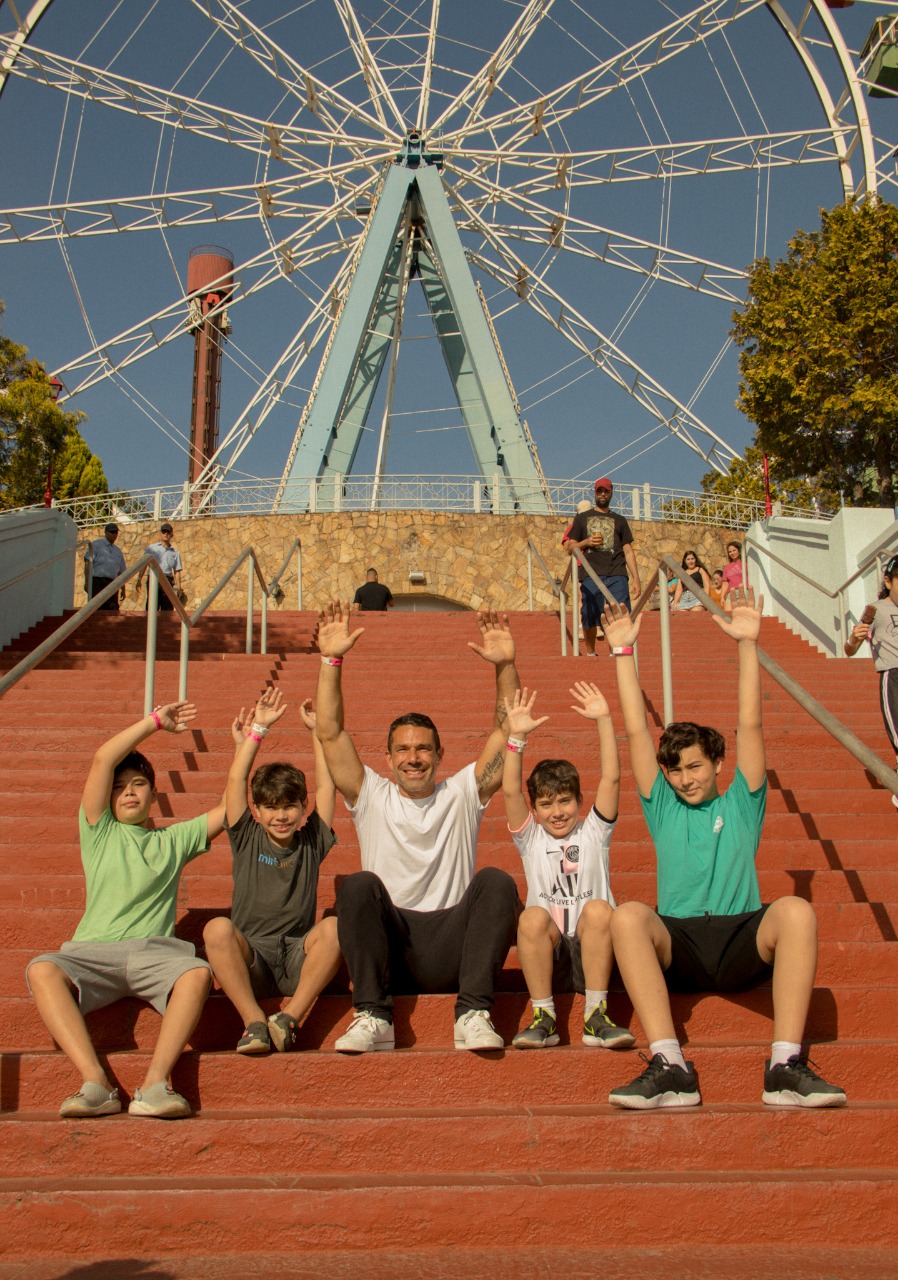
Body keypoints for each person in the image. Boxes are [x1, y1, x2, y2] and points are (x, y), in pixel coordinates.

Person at [601, 590, 846, 1110]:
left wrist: (747, 645)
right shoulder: (663, 807)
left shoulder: (742, 803)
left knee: (797, 911)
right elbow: (636, 733)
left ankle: (784, 1065)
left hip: (740, 937)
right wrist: (624, 653)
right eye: (676, 770)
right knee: (626, 917)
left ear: (716, 764)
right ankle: (670, 1064)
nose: (685, 779)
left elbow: (751, 725)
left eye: (695, 767)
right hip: (681, 942)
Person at [315, 602, 522, 1053]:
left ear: (440, 755)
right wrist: (332, 661)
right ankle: (373, 1014)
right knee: (356, 886)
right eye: (404, 750)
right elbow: (330, 734)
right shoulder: (371, 794)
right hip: (391, 949)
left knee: (496, 882)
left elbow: (507, 733)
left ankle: (472, 1012)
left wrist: (505, 665)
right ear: (387, 758)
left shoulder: (463, 792)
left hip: (453, 944)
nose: (414, 758)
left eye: (424, 749)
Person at [26, 702, 226, 1120]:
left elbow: (229, 812)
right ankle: (96, 1082)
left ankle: (154, 1084)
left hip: (156, 953)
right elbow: (103, 757)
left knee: (198, 973)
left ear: (155, 794)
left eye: (138, 784)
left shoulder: (174, 840)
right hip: (92, 954)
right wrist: (154, 723)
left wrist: (252, 738)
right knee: (41, 969)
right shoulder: (99, 831)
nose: (129, 792)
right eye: (120, 787)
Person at [202, 686, 341, 1054]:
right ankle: (254, 1023)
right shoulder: (247, 836)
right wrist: (257, 731)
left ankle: (288, 1018)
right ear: (258, 811)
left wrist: (317, 733)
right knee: (217, 929)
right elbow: (235, 782)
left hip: (298, 955)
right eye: (272, 807)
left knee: (335, 928)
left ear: (302, 808)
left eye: (290, 806)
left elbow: (328, 786)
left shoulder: (311, 842)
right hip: (253, 960)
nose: (281, 815)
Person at [501, 684, 634, 1052]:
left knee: (597, 909)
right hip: (553, 953)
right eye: (546, 804)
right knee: (530, 917)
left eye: (564, 801)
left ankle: (596, 1014)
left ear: (579, 800)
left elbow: (612, 778)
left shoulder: (594, 832)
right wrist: (516, 739)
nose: (557, 812)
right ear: (535, 808)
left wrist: (604, 720)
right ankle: (544, 1016)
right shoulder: (531, 839)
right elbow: (510, 791)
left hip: (598, 949)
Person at [564, 477, 641, 656]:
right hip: (591, 573)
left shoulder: (620, 520)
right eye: (599, 491)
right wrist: (587, 541)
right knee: (589, 616)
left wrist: (636, 578)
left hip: (617, 572)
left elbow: (628, 550)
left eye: (606, 491)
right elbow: (570, 547)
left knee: (621, 614)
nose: (603, 494)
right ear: (595, 493)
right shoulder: (583, 519)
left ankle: (617, 651)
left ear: (611, 492)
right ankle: (591, 652)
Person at [844, 553, 898, 808]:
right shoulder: (877, 609)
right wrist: (856, 637)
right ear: (888, 582)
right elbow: (849, 648)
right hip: (893, 674)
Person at [137, 522, 182, 611]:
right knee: (152, 605)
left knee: (167, 606)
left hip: (167, 579)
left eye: (168, 532)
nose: (165, 534)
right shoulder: (151, 548)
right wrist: (139, 579)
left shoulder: (175, 552)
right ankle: (149, 624)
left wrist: (179, 587)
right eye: (163, 532)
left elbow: (177, 571)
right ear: (160, 533)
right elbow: (144, 564)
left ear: (171, 535)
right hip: (154, 578)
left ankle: (165, 625)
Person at [84, 523, 126, 612]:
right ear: (106, 532)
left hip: (112, 583)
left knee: (112, 608)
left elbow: (121, 572)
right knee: (96, 608)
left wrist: (123, 588)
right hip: (97, 581)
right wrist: (87, 581)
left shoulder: (118, 551)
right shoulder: (96, 545)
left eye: (116, 532)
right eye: (112, 532)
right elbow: (87, 564)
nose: (114, 534)